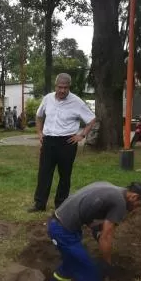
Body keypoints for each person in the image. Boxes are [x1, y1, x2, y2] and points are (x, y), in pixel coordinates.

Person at [46, 181, 141, 281]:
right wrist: (107, 262)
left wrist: (96, 230)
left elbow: (89, 209)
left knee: (71, 264)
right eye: (138, 204)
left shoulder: (112, 189)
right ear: (134, 196)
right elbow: (106, 236)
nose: (135, 208)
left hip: (63, 226)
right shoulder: (120, 203)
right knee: (89, 269)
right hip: (62, 231)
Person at [29, 73, 97, 213]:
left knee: (65, 175)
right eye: (60, 87)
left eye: (65, 88)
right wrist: (39, 133)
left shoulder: (77, 102)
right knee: (44, 173)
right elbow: (39, 115)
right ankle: (39, 204)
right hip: (49, 141)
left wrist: (82, 135)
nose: (62, 90)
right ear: (56, 86)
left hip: (67, 142)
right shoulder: (48, 98)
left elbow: (91, 119)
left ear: (69, 87)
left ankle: (61, 205)